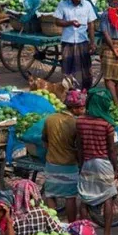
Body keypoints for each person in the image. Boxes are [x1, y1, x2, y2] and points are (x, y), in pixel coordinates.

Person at [75, 88, 118, 235]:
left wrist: (81, 165)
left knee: (85, 198)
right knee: (108, 196)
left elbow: (79, 146)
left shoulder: (80, 121)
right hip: (104, 163)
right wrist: (115, 166)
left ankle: (86, 233)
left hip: (87, 163)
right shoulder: (107, 125)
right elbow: (111, 149)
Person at [43, 90, 86, 222]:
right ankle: (71, 224)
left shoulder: (50, 119)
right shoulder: (75, 123)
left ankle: (53, 223)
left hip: (51, 164)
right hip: (69, 165)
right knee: (70, 197)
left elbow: (44, 140)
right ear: (74, 108)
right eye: (82, 107)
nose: (84, 110)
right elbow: (79, 146)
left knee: (50, 195)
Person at [54, 0, 96, 89]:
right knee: (67, 68)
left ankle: (86, 90)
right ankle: (69, 90)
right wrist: (70, 23)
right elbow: (57, 21)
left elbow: (91, 24)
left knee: (85, 69)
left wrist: (92, 42)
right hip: (68, 41)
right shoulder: (63, 4)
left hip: (82, 40)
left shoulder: (87, 5)